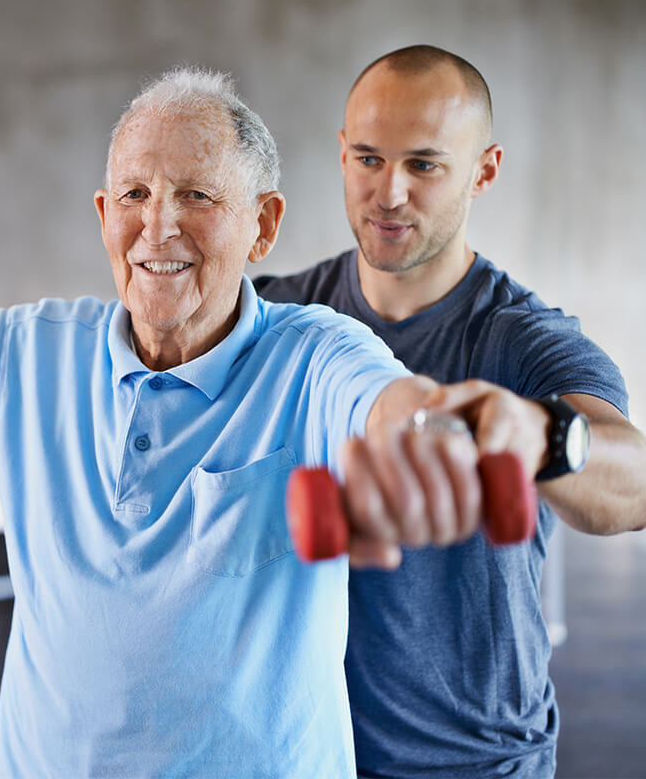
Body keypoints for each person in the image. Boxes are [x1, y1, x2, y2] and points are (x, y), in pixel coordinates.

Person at [0, 66, 548, 778]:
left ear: (263, 225)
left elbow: (388, 404)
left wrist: (436, 434)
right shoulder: (22, 354)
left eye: (197, 195)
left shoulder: (316, 353)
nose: (159, 225)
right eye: (133, 196)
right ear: (102, 217)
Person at [255, 45, 646, 778]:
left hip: (474, 759)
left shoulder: (522, 337)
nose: (389, 192)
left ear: (484, 170)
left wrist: (543, 437)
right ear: (341, 154)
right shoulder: (279, 315)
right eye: (368, 158)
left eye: (424, 165)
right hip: (302, 751)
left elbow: (634, 486)